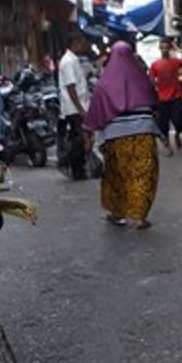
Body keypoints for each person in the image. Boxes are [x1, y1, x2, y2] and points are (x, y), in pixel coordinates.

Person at [83, 39, 161, 228]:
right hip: (143, 134)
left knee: (116, 175)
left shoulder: (104, 84)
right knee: (143, 174)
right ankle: (140, 216)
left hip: (115, 137)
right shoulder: (142, 79)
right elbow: (154, 104)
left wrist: (88, 132)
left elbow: (96, 111)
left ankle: (117, 214)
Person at [56, 32, 92, 180]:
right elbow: (71, 86)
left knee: (78, 137)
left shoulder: (73, 60)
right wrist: (80, 109)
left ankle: (78, 171)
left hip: (78, 104)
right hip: (73, 107)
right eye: (81, 42)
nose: (83, 46)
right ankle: (65, 162)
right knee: (79, 138)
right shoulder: (68, 61)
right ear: (74, 43)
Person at [148, 37, 182, 156]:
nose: (164, 50)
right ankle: (168, 147)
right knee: (163, 125)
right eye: (162, 47)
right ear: (160, 48)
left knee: (179, 121)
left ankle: (177, 135)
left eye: (167, 47)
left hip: (175, 97)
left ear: (170, 48)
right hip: (162, 99)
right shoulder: (155, 65)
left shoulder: (175, 62)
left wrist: (177, 48)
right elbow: (151, 81)